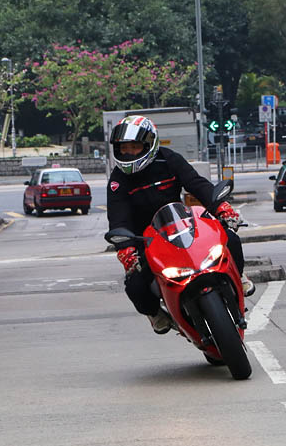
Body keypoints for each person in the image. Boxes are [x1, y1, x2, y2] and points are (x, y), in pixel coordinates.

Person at [107, 115, 252, 335]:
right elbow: (118, 219)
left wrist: (222, 208)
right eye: (124, 148)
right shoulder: (118, 182)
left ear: (149, 144)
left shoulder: (169, 159)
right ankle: (156, 313)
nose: (129, 153)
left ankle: (238, 277)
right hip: (147, 241)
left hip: (184, 226)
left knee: (230, 238)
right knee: (135, 285)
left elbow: (197, 184)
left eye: (134, 147)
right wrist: (126, 250)